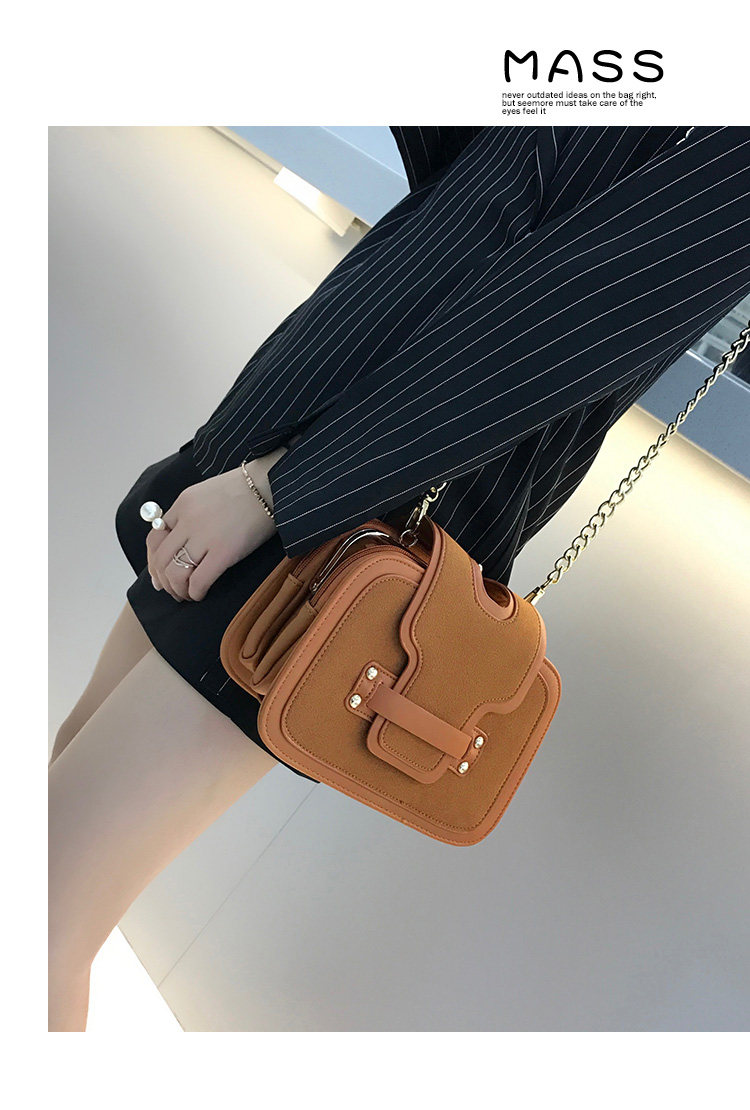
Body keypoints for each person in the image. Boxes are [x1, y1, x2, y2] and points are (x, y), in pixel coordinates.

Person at [48, 125, 750, 1031]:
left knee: (44, 914)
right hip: (304, 417)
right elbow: (490, 166)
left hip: (377, 493)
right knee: (53, 848)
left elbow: (589, 307)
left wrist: (286, 490)